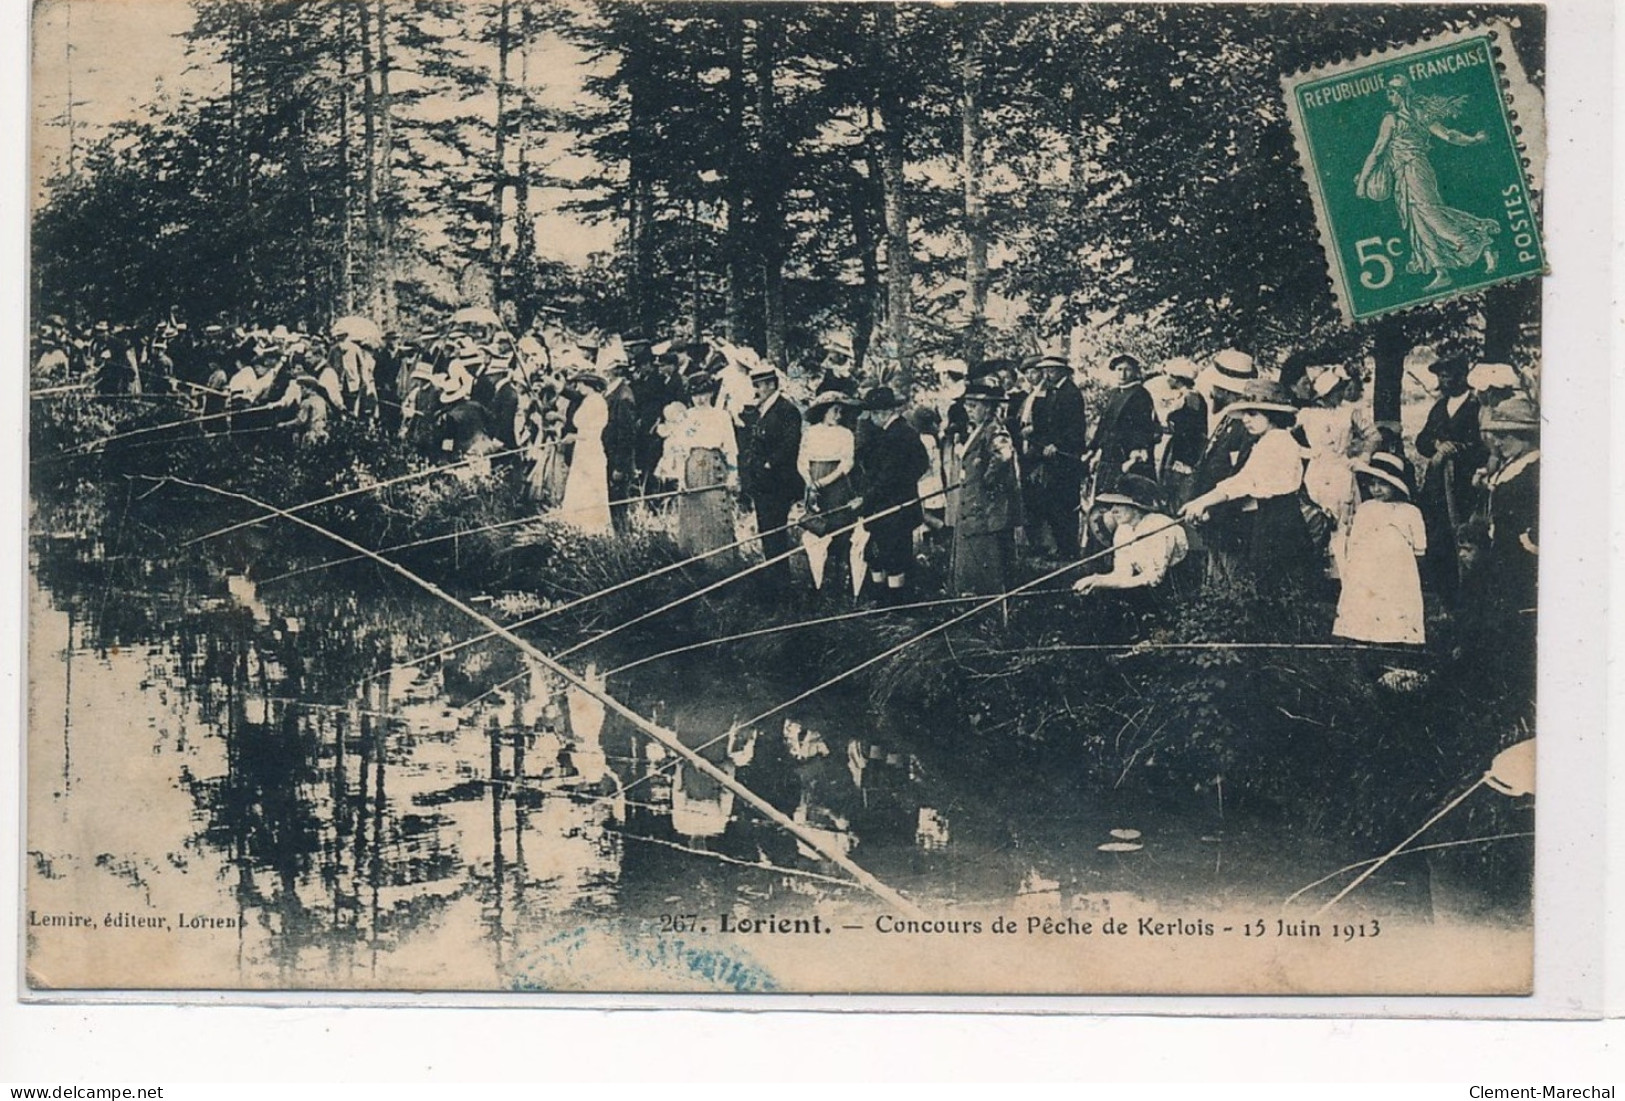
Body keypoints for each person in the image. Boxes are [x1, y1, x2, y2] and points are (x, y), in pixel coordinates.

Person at [1355, 73, 1500, 292]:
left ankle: (1482, 243)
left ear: (1400, 94)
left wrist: (1362, 181)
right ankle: (1441, 271)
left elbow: (1377, 151)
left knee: (1432, 216)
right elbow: (1450, 135)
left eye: (1391, 92)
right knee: (1419, 221)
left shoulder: (1391, 120)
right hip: (1406, 174)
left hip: (1414, 172)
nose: (1389, 96)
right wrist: (1473, 140)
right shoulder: (1421, 116)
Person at [1180, 380, 1316, 592]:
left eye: (1252, 414)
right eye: (1244, 414)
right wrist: (1201, 502)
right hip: (1271, 517)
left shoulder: (1277, 442)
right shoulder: (1267, 440)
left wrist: (1203, 502)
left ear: (1272, 415)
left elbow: (1244, 482)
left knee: (1278, 584)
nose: (1245, 420)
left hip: (1280, 521)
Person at [1414, 355, 1487, 605]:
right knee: (1438, 536)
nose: (1443, 381)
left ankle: (1465, 594)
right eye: (1440, 376)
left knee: (1462, 535)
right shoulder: (1439, 407)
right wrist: (1437, 444)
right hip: (1437, 485)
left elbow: (1485, 447)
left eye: (1448, 375)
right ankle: (1443, 596)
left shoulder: (1476, 406)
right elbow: (1421, 441)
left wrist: (1458, 450)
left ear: (1461, 376)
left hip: (1464, 485)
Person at [1333, 452, 1428, 646]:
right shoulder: (1366, 509)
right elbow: (1355, 543)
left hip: (1398, 574)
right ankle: (1365, 640)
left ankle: (1395, 645)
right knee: (1367, 605)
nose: (1376, 489)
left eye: (1383, 484)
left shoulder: (1410, 512)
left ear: (1395, 486)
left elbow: (1420, 548)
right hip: (1368, 572)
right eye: (1372, 484)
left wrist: (1405, 569)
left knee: (1395, 608)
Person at [1186, 348, 1260, 574]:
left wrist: (1213, 510)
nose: (1211, 393)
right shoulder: (1227, 419)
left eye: (1216, 388)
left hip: (1231, 520)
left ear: (1228, 391)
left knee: (1233, 579)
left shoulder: (1246, 427)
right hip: (1215, 519)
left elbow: (1239, 477)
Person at [1297, 364, 1375, 577]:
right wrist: (1304, 452)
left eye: (1342, 389)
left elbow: (1374, 435)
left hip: (1341, 471)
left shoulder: (1350, 412)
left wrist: (1363, 456)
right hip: (1316, 471)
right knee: (1317, 518)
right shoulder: (1306, 414)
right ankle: (1317, 575)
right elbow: (1284, 435)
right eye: (1337, 390)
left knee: (1343, 521)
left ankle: (1343, 575)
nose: (1341, 394)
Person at [856, 385, 930, 604]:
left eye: (873, 413)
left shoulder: (897, 436)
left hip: (892, 506)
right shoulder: (896, 432)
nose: (871, 418)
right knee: (882, 552)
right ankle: (884, 597)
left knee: (893, 555)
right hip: (894, 503)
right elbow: (921, 464)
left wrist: (867, 497)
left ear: (883, 413)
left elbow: (888, 476)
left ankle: (895, 603)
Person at [951, 380, 1023, 596]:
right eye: (968, 406)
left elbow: (1003, 455)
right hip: (974, 505)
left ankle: (988, 607)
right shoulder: (979, 430)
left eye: (974, 407)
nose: (969, 411)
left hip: (988, 508)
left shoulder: (995, 430)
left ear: (989, 407)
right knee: (973, 555)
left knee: (989, 558)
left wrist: (987, 480)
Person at [1071, 474, 1188, 598]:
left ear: (1137, 507)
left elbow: (1154, 578)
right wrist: (1095, 580)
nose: (1113, 510)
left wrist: (1100, 582)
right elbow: (1122, 574)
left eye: (1120, 504)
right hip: (1153, 592)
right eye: (1112, 505)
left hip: (1181, 591)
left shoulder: (1159, 525)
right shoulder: (1123, 530)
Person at [740, 361, 803, 590]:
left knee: (776, 533)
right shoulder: (760, 410)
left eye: (761, 385)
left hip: (778, 483)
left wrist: (768, 464)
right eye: (755, 384)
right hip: (763, 484)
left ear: (771, 385)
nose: (757, 389)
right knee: (767, 533)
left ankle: (782, 586)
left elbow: (790, 444)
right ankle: (775, 582)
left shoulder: (786, 410)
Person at [1023, 354, 1089, 560]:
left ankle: (1069, 550)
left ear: (1062, 371)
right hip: (1050, 456)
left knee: (1066, 503)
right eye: (1045, 370)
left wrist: (1058, 444)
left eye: (1051, 370)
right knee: (1053, 502)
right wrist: (1035, 433)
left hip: (1066, 457)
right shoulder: (1050, 391)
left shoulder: (1071, 393)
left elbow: (1075, 428)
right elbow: (1044, 421)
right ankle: (1059, 547)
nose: (1047, 374)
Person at [797, 392, 861, 596]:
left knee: (840, 529)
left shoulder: (845, 434)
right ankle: (817, 582)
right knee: (815, 528)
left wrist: (824, 481)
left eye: (841, 411)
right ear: (824, 411)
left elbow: (847, 463)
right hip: (814, 483)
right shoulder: (811, 433)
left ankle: (840, 579)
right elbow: (802, 459)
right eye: (835, 410)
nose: (838, 415)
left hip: (836, 484)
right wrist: (810, 482)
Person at [673, 373, 739, 558]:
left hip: (713, 466)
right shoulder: (686, 416)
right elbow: (680, 449)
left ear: (711, 393)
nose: (700, 399)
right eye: (695, 395)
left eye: (704, 394)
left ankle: (720, 562)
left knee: (715, 513)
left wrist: (733, 474)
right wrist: (681, 477)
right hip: (691, 468)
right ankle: (693, 561)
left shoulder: (721, 416)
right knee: (692, 515)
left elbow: (731, 448)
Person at [1087, 353, 1159, 494]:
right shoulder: (1114, 393)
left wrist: (1137, 450)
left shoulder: (1140, 394)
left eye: (1127, 369)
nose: (1123, 374)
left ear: (1135, 372)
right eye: (1119, 369)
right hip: (1110, 452)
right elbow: (1104, 423)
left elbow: (1143, 426)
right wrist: (1093, 448)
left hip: (1128, 452)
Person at [558, 371, 613, 535]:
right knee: (579, 488)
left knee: (589, 489)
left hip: (591, 449)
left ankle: (591, 530)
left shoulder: (597, 402)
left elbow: (595, 431)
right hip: (583, 449)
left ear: (589, 385)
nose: (578, 386)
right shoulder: (588, 400)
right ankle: (576, 528)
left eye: (581, 383)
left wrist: (575, 436)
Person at [1147, 356, 1207, 505]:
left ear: (1179, 379)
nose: (1167, 380)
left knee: (1179, 488)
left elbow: (1190, 427)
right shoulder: (1183, 397)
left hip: (1187, 450)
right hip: (1179, 446)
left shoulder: (1191, 397)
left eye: (1171, 376)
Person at [601, 358, 641, 530]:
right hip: (609, 453)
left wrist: (620, 466)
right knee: (611, 500)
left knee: (618, 502)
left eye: (606, 370)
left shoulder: (623, 395)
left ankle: (623, 540)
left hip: (618, 457)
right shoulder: (612, 392)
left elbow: (626, 434)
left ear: (614, 371)